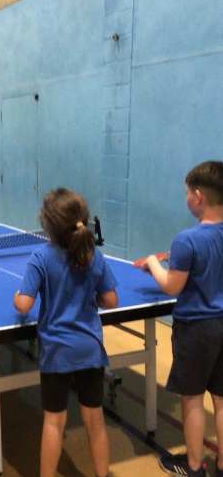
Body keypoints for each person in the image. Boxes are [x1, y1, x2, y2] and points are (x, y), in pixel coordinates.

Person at [13, 188, 118, 477]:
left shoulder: (41, 257)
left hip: (57, 351)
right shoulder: (94, 255)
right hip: (90, 349)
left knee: (54, 422)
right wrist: (88, 298)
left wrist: (17, 297)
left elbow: (24, 305)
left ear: (47, 224)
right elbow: (111, 300)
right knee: (95, 420)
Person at [141, 161, 223, 477]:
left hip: (197, 328)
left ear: (198, 196)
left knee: (192, 399)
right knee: (221, 398)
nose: (186, 198)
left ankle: (193, 466)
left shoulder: (187, 239)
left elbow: (172, 286)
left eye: (187, 193)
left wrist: (153, 263)